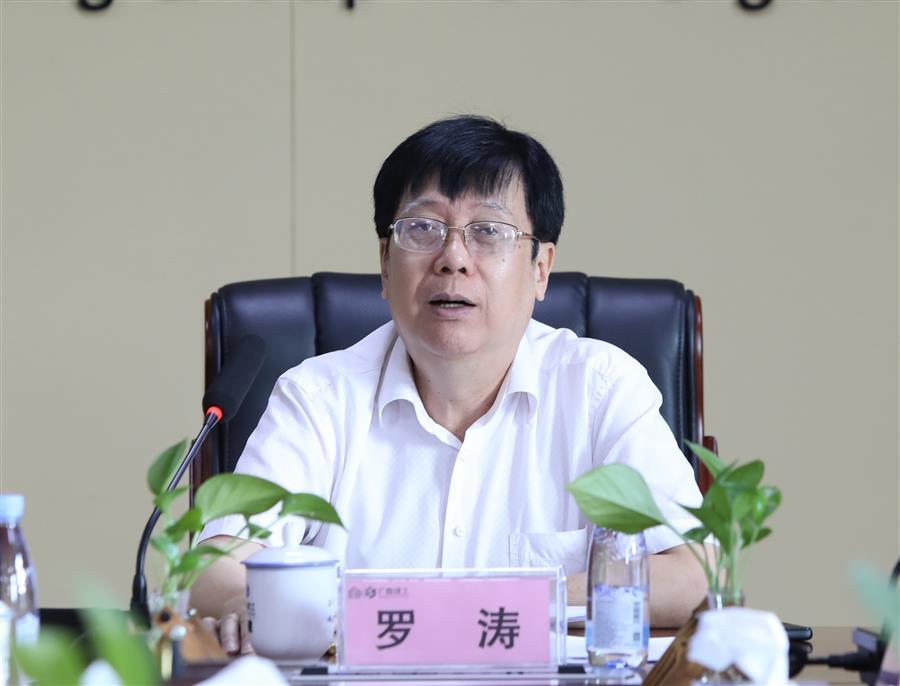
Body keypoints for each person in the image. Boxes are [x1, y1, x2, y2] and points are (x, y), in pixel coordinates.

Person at [191, 115, 710, 654]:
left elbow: (692, 575)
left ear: (541, 268)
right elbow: (212, 569)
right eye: (423, 229)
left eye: (489, 231)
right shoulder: (318, 398)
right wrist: (240, 605)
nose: (454, 260)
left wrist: (478, 607)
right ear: (385, 264)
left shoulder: (601, 390)